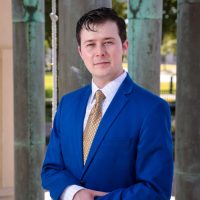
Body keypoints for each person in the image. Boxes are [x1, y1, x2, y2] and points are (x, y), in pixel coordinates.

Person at [41, 7, 173, 200]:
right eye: (90, 44)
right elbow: (51, 169)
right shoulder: (67, 104)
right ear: (80, 51)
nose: (99, 52)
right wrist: (74, 193)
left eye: (108, 42)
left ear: (125, 46)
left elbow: (156, 190)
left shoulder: (152, 109)